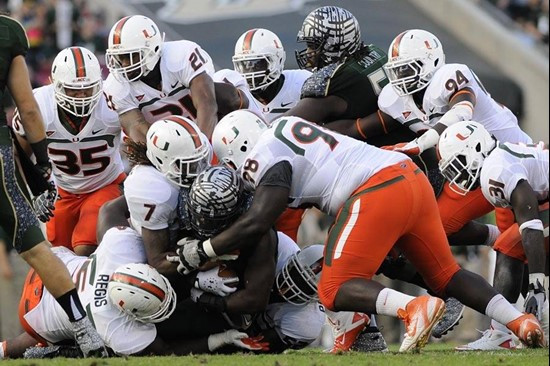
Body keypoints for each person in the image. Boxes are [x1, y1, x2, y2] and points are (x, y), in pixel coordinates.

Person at [172, 110, 545, 351]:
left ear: (236, 149)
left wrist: (204, 250)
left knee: (333, 287)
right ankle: (519, 319)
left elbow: (259, 220)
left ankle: (413, 307)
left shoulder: (263, 157)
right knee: (445, 273)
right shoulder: (285, 128)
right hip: (406, 177)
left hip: (375, 189)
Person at [0, 14, 106, 357]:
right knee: (36, 246)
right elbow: (27, 109)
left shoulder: (109, 104)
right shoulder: (8, 32)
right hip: (7, 159)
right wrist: (43, 168)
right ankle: (84, 328)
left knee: (70, 245)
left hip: (99, 186)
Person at [0, 227, 261, 359]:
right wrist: (219, 339)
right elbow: (164, 353)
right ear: (126, 311)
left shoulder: (120, 247)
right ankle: (52, 350)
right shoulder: (112, 323)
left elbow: (114, 216)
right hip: (35, 309)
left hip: (53, 265)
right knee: (100, 350)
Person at [177, 166, 325, 353]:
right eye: (294, 275)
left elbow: (256, 345)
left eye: (302, 288)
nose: (288, 287)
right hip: (231, 295)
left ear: (316, 297)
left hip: (245, 319)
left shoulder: (305, 323)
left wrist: (206, 300)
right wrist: (195, 280)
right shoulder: (284, 247)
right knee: (221, 280)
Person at [437, 121, 549, 349]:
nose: (456, 176)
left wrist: (537, 286)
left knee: (509, 244)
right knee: (511, 243)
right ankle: (510, 330)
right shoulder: (497, 161)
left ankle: (500, 333)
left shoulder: (495, 170)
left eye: (457, 165)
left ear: (476, 149)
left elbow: (531, 223)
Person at [12, 46, 125, 256]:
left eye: (88, 88)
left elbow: (136, 141)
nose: (81, 95)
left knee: (84, 247)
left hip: (105, 184)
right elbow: (18, 155)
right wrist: (33, 191)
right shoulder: (39, 106)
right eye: (73, 89)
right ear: (55, 84)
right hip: (63, 189)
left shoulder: (112, 104)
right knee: (60, 254)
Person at [103, 15, 244, 141]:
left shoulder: (179, 56)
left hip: (210, 130)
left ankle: (259, 119)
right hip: (166, 145)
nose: (125, 65)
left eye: (131, 56)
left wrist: (200, 145)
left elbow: (207, 104)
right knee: (141, 167)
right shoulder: (116, 86)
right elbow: (138, 130)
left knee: (227, 84)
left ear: (153, 49)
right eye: (120, 58)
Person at [232, 28, 311, 123]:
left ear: (279, 60)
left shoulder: (301, 82)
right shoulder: (235, 94)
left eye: (257, 64)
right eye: (244, 65)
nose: (250, 71)